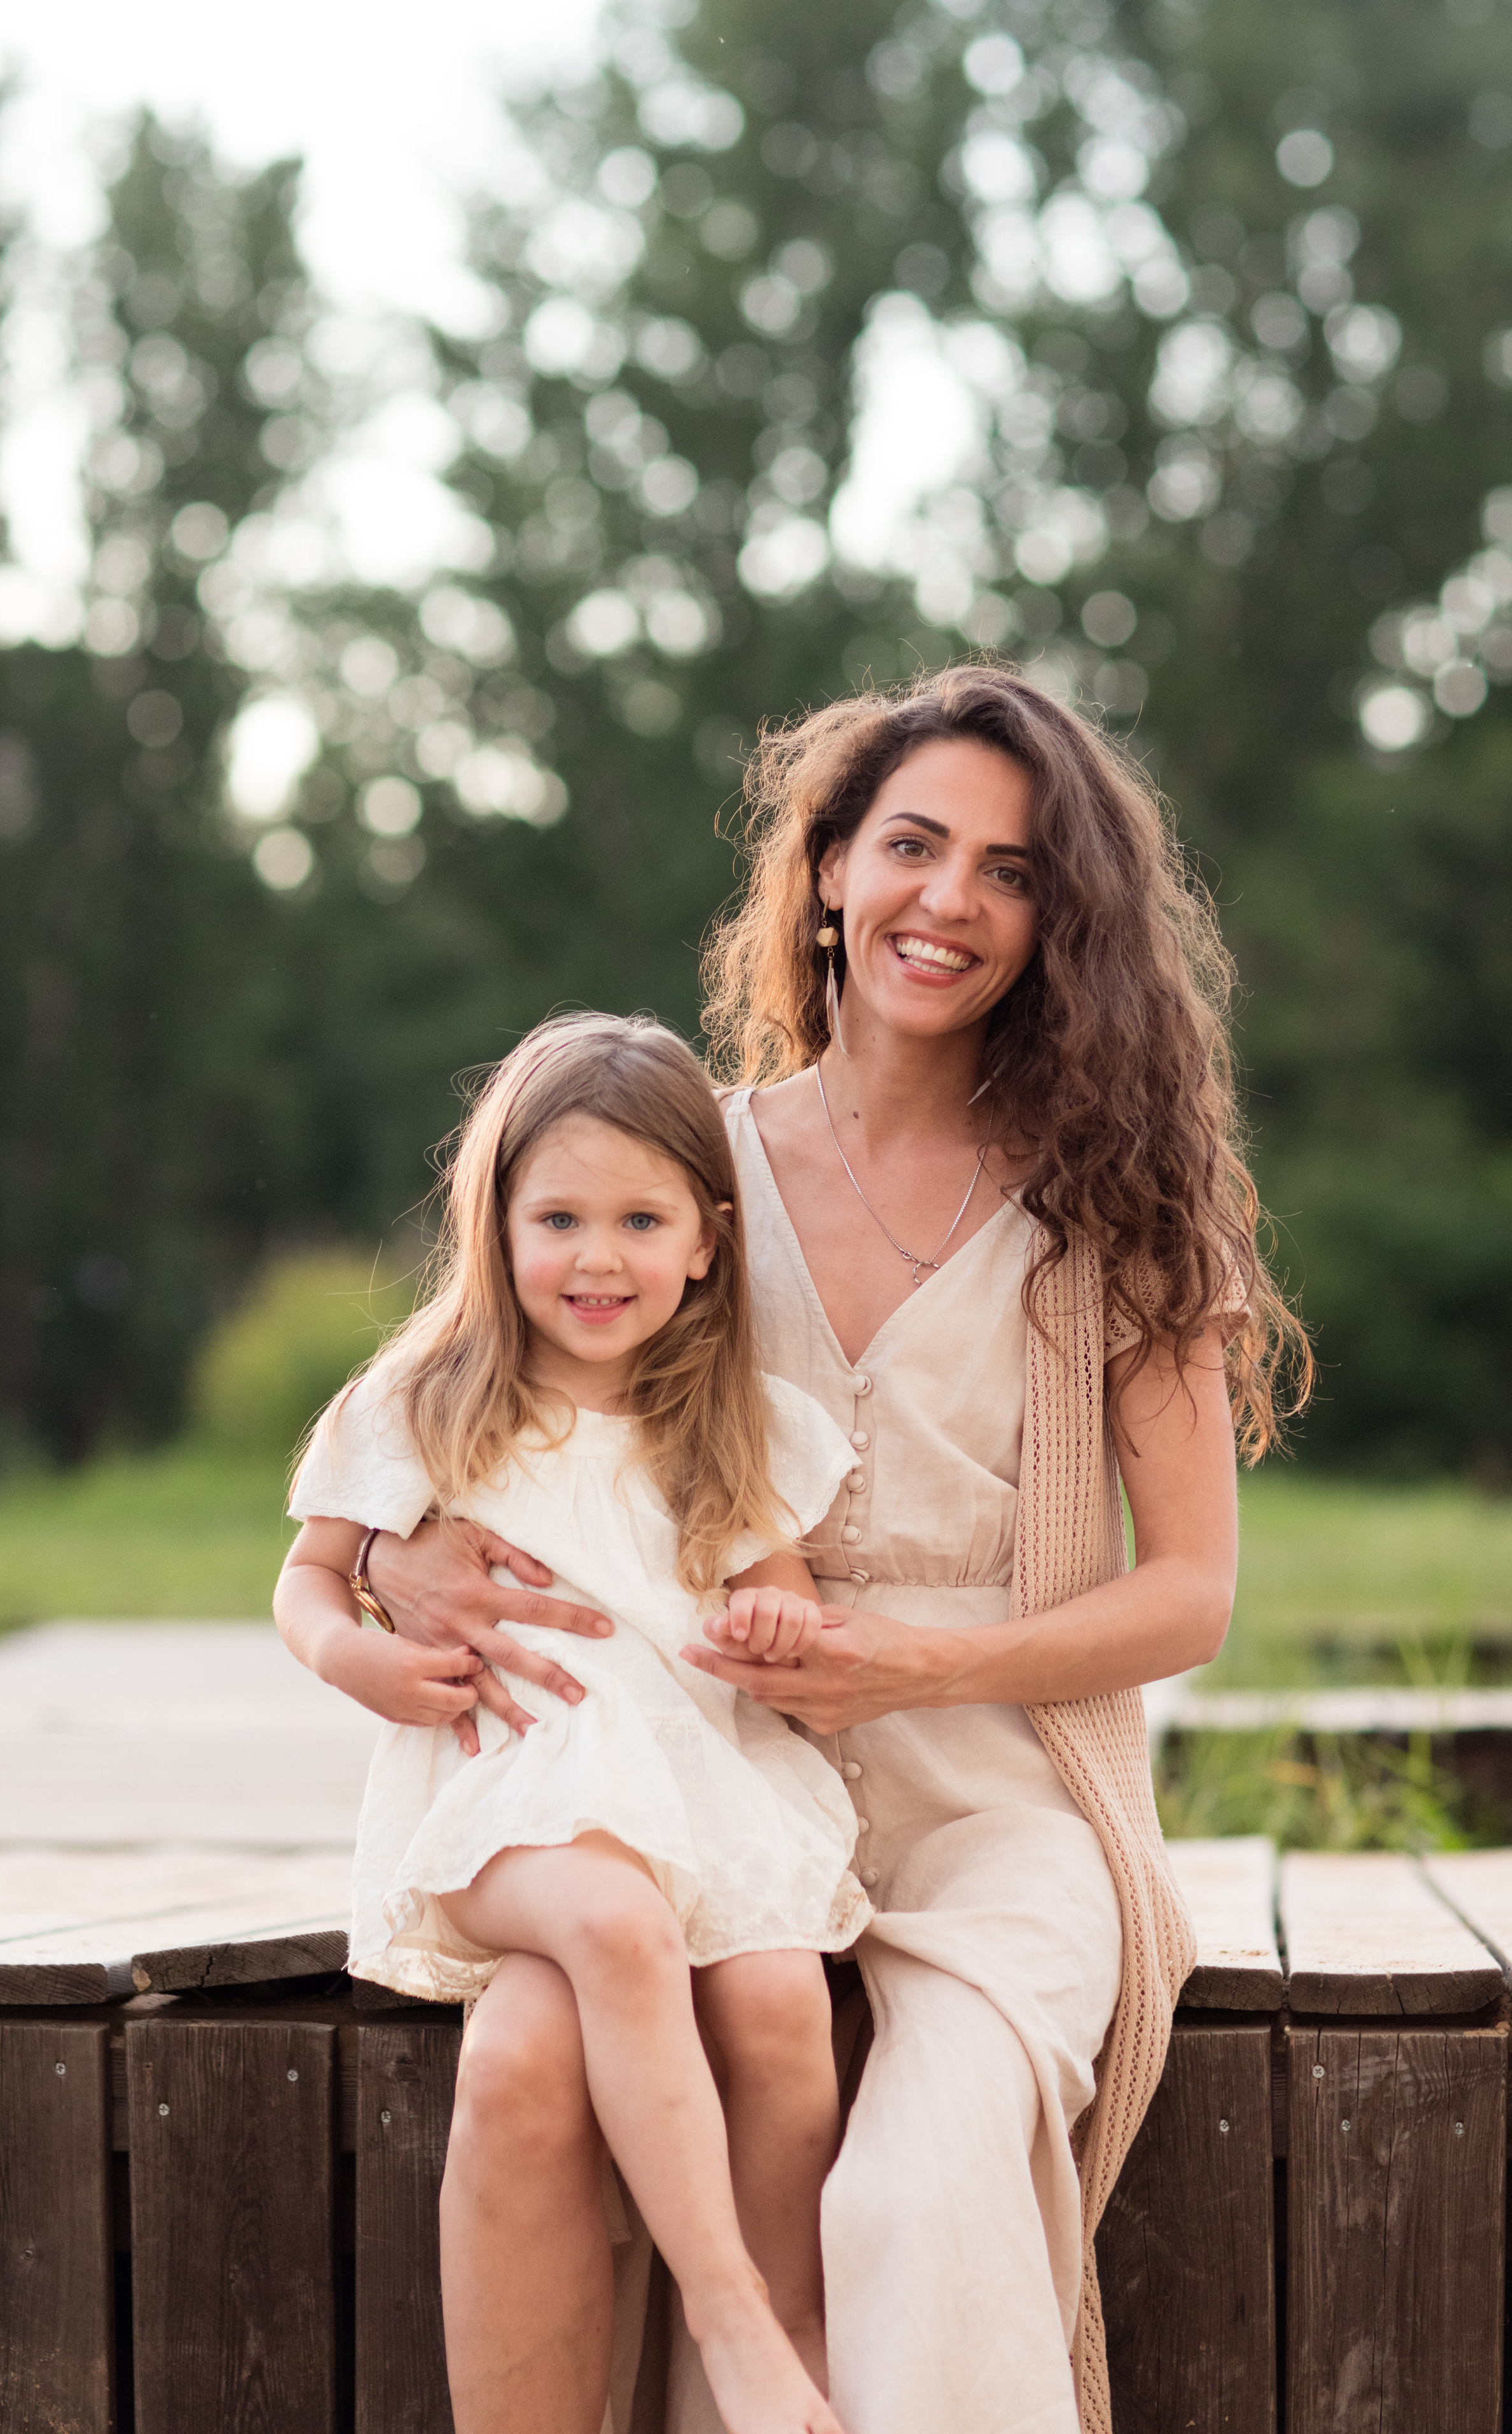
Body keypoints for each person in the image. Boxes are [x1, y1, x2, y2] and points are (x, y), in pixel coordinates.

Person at [352, 662, 1310, 2434]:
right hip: (694, 1763)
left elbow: (1191, 1596)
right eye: (912, 846)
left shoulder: (1120, 1199)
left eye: (1012, 872)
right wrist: (386, 1565)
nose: (949, 901)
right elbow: (468, 1402)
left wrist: (920, 1665)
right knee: (526, 2066)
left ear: (1064, 922)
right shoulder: (684, 1166)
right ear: (828, 871)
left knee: (912, 2194)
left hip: (996, 1799)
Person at [274, 1013, 878, 2434]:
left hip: (691, 1791)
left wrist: (773, 1629)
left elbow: (781, 1608)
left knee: (778, 2000)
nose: (597, 1259)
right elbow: (307, 1584)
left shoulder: (727, 1424)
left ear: (706, 1242)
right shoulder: (424, 1404)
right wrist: (361, 1662)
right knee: (615, 1928)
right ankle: (729, 2314)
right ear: (495, 1226)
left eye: (638, 1221)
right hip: (507, 1795)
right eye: (557, 1219)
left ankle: (792, 2321)